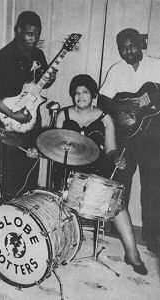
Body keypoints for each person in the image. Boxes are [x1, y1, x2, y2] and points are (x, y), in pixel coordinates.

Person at [55, 74, 147, 275]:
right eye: (77, 93)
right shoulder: (63, 115)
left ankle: (132, 254)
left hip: (98, 168)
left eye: (85, 92)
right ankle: (56, 245)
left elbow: (111, 150)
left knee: (117, 205)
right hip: (70, 168)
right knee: (58, 202)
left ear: (93, 95)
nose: (80, 96)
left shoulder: (105, 118)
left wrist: (117, 159)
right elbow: (54, 143)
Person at [98, 28, 160, 253]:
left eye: (131, 46)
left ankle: (152, 238)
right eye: (123, 48)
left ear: (140, 43)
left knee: (153, 187)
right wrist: (123, 106)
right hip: (126, 137)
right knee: (122, 182)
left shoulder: (156, 65)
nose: (128, 51)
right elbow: (103, 101)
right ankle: (116, 231)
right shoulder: (116, 70)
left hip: (153, 137)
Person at [0, 11, 57, 199]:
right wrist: (13, 114)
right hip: (9, 120)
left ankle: (26, 216)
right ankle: (8, 212)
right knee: (10, 176)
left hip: (33, 120)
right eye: (29, 34)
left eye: (37, 34)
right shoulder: (2, 57)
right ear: (18, 30)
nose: (34, 38)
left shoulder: (39, 54)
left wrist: (50, 79)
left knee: (31, 170)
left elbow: (41, 83)